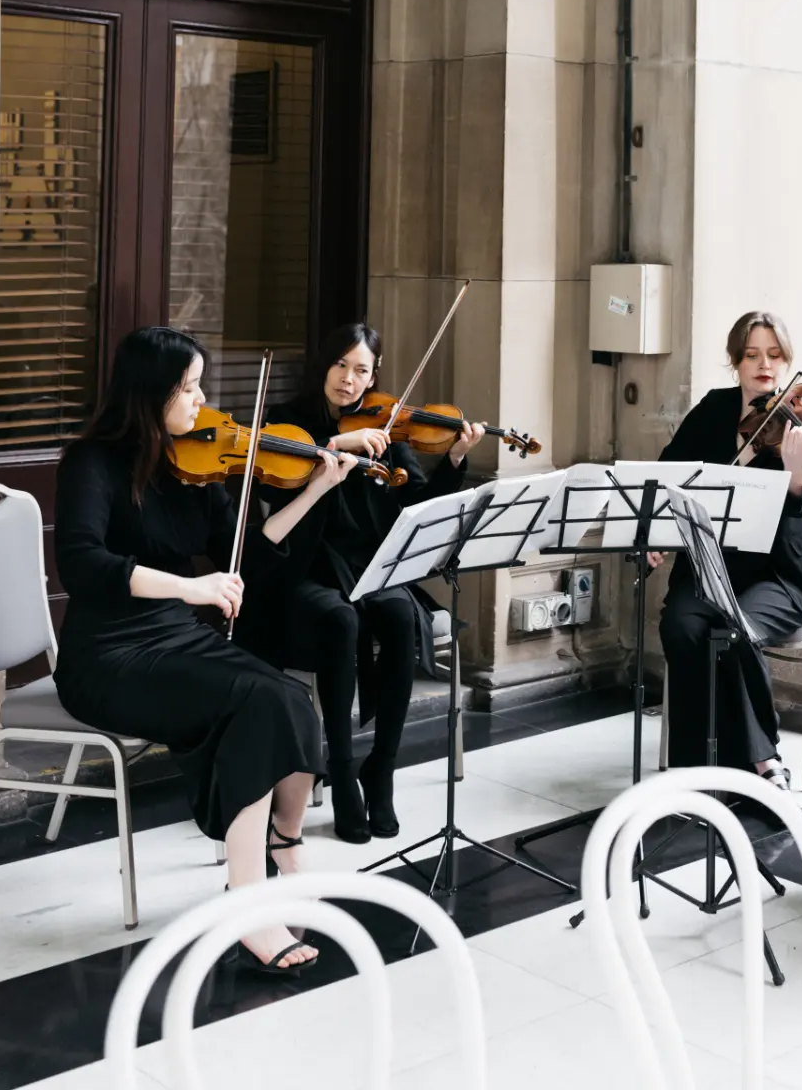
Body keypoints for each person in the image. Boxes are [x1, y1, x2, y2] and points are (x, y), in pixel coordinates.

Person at [54, 326, 347, 979]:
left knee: (289, 698)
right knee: (257, 699)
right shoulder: (92, 461)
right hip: (107, 656)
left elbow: (251, 557)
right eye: (188, 388)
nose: (201, 399)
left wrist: (315, 491)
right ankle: (247, 903)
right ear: (148, 393)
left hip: (177, 638)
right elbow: (82, 563)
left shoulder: (192, 464)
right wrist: (190, 587)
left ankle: (284, 849)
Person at [237, 322, 484, 843]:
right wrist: (335, 443)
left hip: (367, 566)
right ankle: (343, 771)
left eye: (362, 370)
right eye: (341, 365)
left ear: (375, 377)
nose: (349, 380)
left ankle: (382, 768)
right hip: (303, 567)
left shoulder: (386, 427)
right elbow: (267, 474)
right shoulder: (287, 419)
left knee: (397, 615)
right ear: (323, 365)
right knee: (339, 618)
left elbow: (417, 505)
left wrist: (455, 460)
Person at [656, 311, 802, 792]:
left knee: (735, 630)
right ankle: (696, 763)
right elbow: (669, 471)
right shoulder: (715, 409)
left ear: (787, 362)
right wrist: (658, 533)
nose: (765, 366)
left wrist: (796, 469)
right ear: (736, 361)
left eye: (775, 356)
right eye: (753, 355)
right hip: (711, 566)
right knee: (680, 625)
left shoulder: (801, 421)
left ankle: (763, 761)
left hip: (780, 574)